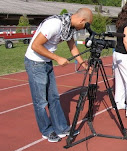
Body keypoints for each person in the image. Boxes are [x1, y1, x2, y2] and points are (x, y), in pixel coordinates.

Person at [24, 8, 93, 143]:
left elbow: (72, 47)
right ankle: (47, 131)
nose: (84, 28)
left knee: (54, 97)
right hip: (35, 63)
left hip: (46, 62)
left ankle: (61, 128)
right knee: (41, 102)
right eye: (85, 25)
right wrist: (57, 58)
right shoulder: (55, 24)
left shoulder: (69, 27)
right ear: (81, 20)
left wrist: (83, 64)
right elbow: (35, 45)